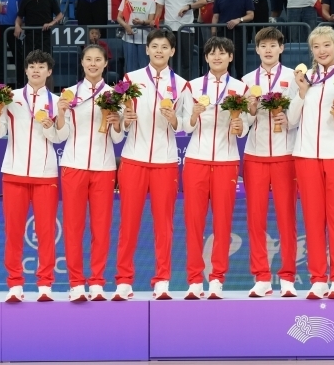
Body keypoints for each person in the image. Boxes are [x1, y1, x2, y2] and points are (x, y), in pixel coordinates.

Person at [113, 29, 189, 301]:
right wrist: (125, 120)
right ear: (146, 50)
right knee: (128, 223)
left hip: (165, 162)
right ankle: (123, 280)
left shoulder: (181, 85)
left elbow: (187, 124)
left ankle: (162, 280)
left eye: (164, 46)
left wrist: (173, 121)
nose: (159, 50)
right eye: (154, 46)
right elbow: (118, 124)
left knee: (164, 225)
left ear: (172, 51)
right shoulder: (130, 80)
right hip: (132, 160)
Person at [289, 26, 334, 299]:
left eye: (326, 45)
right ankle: (318, 278)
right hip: (306, 155)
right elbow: (292, 119)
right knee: (313, 219)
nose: (322, 51)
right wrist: (302, 92)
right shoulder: (304, 79)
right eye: (316, 46)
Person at [0, 50, 60, 303]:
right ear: (25, 70)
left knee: (46, 232)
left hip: (45, 174)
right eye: (32, 66)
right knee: (13, 231)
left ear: (49, 72)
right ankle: (15, 284)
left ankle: (45, 285)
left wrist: (50, 128)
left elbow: (61, 137)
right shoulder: (9, 98)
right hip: (14, 173)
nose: (36, 70)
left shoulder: (57, 101)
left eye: (41, 66)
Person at [52, 44, 124, 302]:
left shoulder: (116, 94)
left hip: (104, 168)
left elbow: (117, 139)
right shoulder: (69, 94)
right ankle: (75, 283)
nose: (93, 64)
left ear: (106, 63)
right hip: (73, 166)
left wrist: (117, 123)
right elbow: (60, 136)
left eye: (98, 60)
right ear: (82, 63)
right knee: (73, 227)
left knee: (101, 228)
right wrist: (59, 114)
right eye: (88, 59)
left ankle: (96, 281)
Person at [180, 37, 250, 299]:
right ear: (206, 58)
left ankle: (217, 278)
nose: (217, 57)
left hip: (226, 161)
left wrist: (240, 126)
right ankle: (194, 280)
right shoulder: (193, 86)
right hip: (196, 159)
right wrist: (195, 115)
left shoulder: (241, 88)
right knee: (194, 223)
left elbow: (243, 127)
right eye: (212, 53)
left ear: (231, 57)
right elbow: (184, 127)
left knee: (223, 223)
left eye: (222, 53)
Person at [242, 27, 299, 297]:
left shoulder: (294, 78)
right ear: (257, 49)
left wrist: (289, 121)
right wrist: (251, 111)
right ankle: (261, 277)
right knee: (256, 218)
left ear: (281, 48)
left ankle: (288, 277)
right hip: (255, 155)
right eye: (263, 45)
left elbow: (301, 114)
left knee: (286, 217)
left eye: (273, 45)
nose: (268, 50)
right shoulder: (246, 80)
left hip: (286, 154)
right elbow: (242, 124)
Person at [155, 0, 208, 79]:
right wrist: (156, 23)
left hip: (186, 29)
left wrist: (188, 6)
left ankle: (185, 85)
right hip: (169, 29)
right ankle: (168, 83)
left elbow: (202, 1)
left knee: (186, 61)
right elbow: (159, 7)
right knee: (169, 59)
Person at [210, 0, 255, 77]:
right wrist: (213, 32)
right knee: (224, 61)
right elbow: (216, 16)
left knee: (239, 62)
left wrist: (238, 20)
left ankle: (241, 88)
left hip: (240, 33)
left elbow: (251, 15)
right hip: (223, 34)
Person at [15, 0, 64, 69]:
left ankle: (47, 85)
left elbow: (60, 15)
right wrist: (17, 26)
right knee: (30, 66)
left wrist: (51, 23)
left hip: (45, 37)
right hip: (29, 38)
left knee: (47, 66)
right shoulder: (25, 0)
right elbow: (19, 17)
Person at [116, 0, 157, 74]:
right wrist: (126, 26)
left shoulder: (150, 1)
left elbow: (151, 20)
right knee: (130, 67)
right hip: (128, 38)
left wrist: (141, 22)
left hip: (144, 38)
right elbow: (118, 17)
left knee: (144, 66)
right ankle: (130, 88)